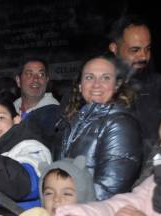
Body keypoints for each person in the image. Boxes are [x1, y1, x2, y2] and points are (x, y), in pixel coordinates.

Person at [55, 53, 143, 200]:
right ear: (79, 85)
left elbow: (109, 189)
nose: (97, 84)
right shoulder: (73, 121)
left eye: (106, 78)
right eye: (89, 77)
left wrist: (72, 210)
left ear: (117, 85)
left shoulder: (120, 125)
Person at [108, 15, 161, 157]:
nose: (143, 56)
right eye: (134, 50)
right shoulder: (100, 88)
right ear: (114, 48)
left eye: (147, 49)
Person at [13, 57, 62, 142]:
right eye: (29, 74)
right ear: (18, 80)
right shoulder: (8, 111)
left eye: (41, 74)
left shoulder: (56, 117)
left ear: (46, 81)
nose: (35, 79)